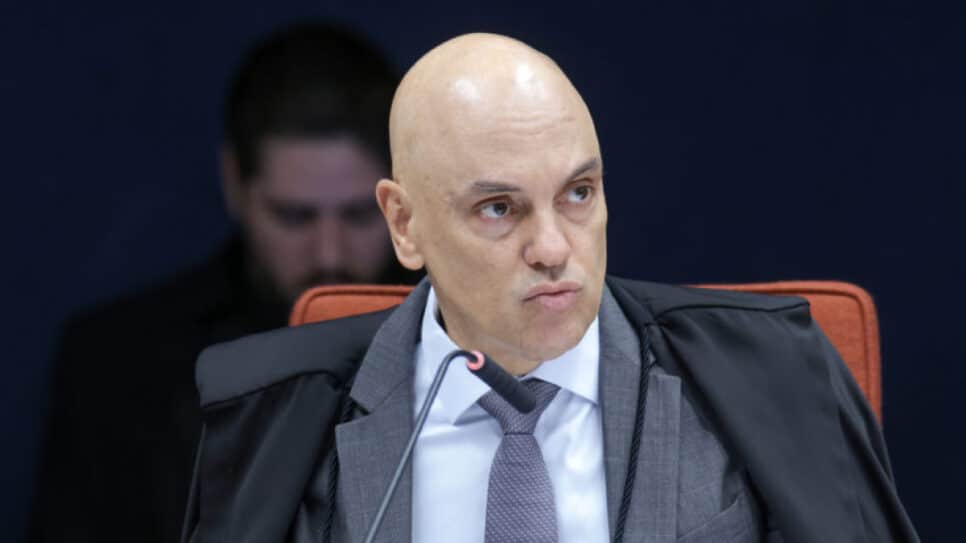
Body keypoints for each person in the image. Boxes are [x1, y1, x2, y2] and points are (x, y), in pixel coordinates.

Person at [181, 33, 919, 542]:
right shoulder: (277, 414)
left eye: (578, 194)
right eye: (499, 208)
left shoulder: (772, 374)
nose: (554, 248)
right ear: (404, 225)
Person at [30, 22, 417, 543]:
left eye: (359, 215)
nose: (330, 254)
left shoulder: (472, 344)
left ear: (400, 194)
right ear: (235, 184)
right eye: (294, 217)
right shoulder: (117, 362)